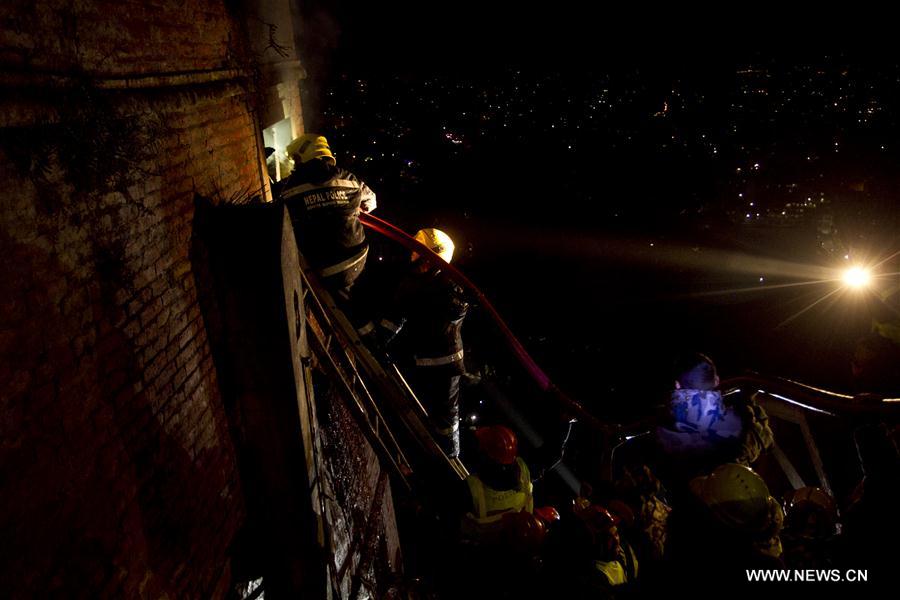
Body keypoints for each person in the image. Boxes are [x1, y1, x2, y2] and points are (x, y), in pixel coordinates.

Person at [376, 228, 468, 456]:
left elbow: (455, 309)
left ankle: (450, 455)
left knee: (446, 417)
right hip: (421, 360)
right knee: (416, 409)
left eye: (419, 251)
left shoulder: (449, 287)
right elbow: (396, 317)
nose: (412, 254)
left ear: (432, 257)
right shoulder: (413, 281)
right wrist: (379, 340)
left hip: (444, 365)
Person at [279, 134, 376, 310]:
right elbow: (371, 202)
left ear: (303, 157)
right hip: (358, 258)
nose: (294, 165)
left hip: (322, 269)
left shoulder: (289, 189)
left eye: (296, 160)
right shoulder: (349, 179)